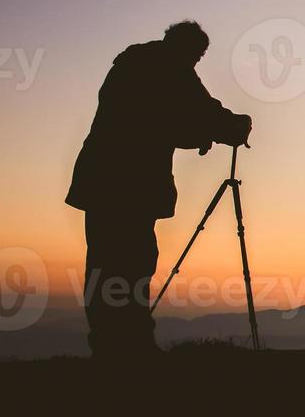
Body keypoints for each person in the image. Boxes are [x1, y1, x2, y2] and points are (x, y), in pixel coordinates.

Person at [66, 21, 252, 359]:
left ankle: (109, 345)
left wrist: (200, 133)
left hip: (100, 179)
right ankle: (132, 346)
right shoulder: (171, 68)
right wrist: (234, 127)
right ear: (187, 50)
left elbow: (154, 121)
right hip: (131, 184)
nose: (196, 63)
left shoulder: (134, 64)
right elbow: (194, 112)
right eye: (197, 56)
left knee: (105, 262)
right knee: (133, 262)